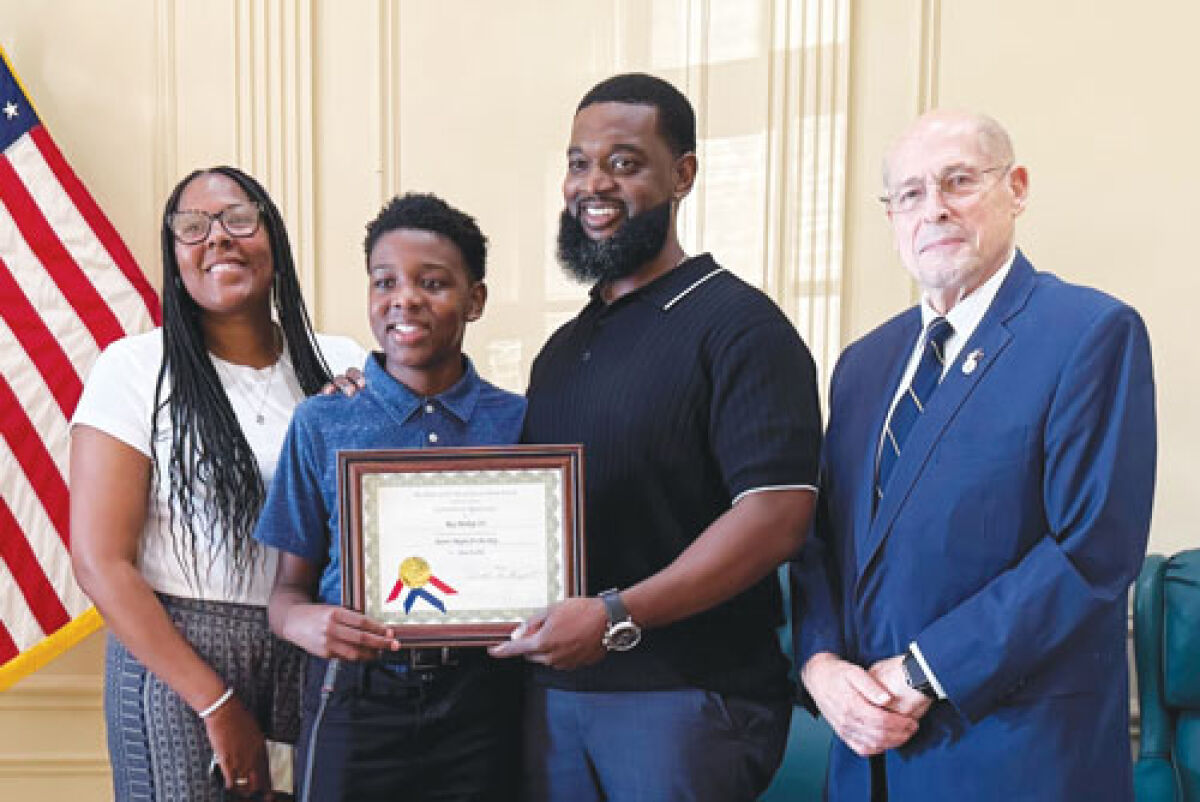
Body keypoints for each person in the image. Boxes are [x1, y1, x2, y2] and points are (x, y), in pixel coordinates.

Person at [791, 109, 1157, 800]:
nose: (935, 210)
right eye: (910, 194)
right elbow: (822, 543)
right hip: (865, 758)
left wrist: (924, 669)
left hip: (1015, 756)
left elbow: (1093, 549)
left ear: (1015, 188)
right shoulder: (863, 365)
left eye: (958, 181)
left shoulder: (1088, 332)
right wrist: (818, 665)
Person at [488, 73, 822, 801]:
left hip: (687, 699)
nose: (593, 184)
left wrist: (614, 616)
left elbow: (775, 519)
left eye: (624, 162)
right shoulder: (562, 351)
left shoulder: (741, 328)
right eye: (578, 163)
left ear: (684, 174)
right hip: (556, 697)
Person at [70, 166, 365, 800]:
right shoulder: (133, 370)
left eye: (238, 219)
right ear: (174, 258)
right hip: (177, 659)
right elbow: (100, 562)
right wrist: (215, 703)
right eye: (192, 227)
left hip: (310, 646)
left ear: (273, 238)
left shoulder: (343, 362)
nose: (218, 239)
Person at [254, 192, 526, 801]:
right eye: (385, 282)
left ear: (474, 300)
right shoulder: (323, 422)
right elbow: (284, 597)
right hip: (355, 696)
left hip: (483, 698)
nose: (405, 298)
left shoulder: (518, 422)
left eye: (433, 282)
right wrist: (306, 623)